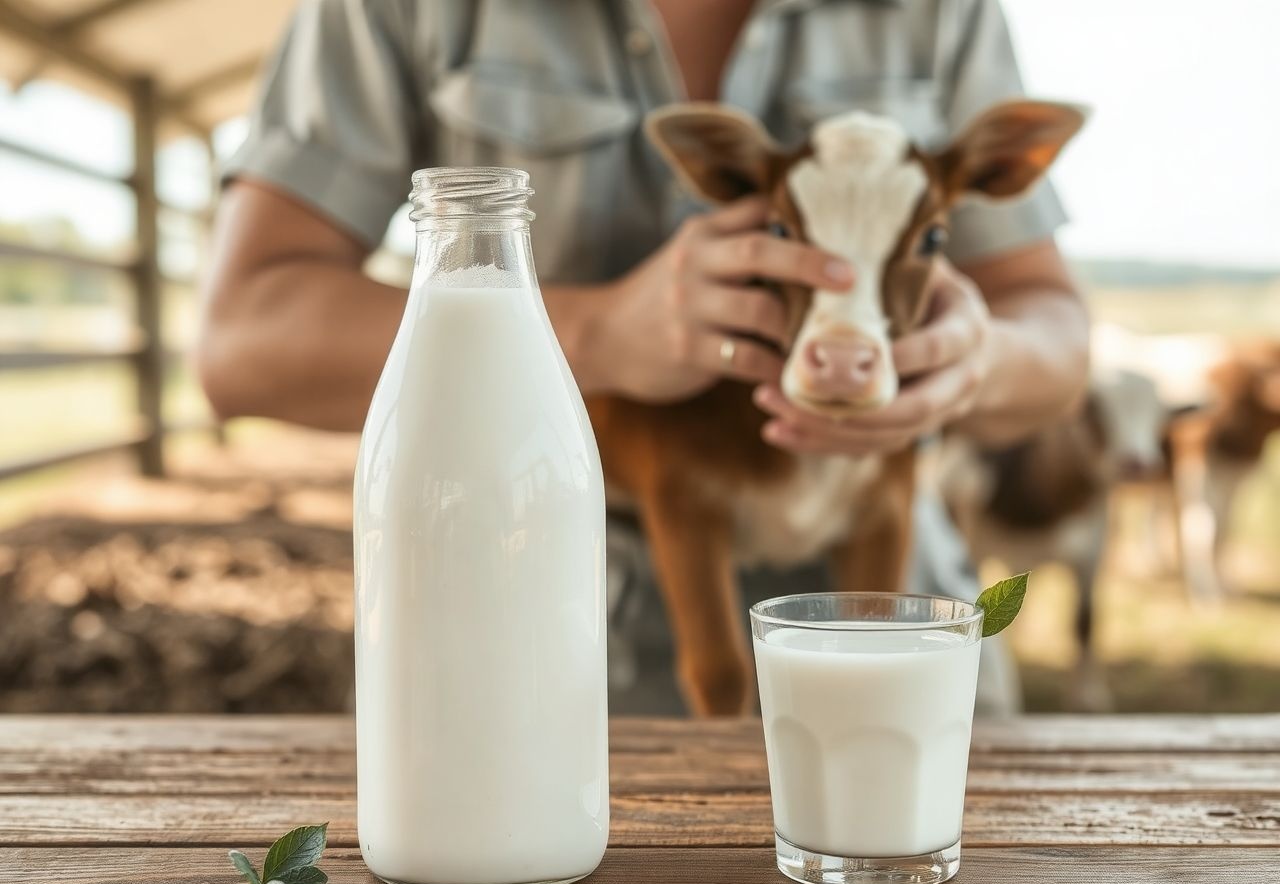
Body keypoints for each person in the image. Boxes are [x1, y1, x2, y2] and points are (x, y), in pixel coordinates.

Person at [200, 0, 1089, 715]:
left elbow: (1052, 324)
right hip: (530, 659)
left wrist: (978, 361)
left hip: (895, 661)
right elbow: (242, 339)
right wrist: (591, 336)